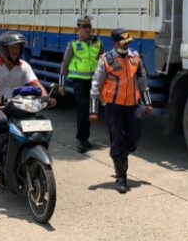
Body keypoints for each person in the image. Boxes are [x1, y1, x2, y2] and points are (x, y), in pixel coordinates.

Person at [0, 31, 55, 181]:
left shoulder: (24, 66)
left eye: (18, 48)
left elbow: (36, 84)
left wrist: (47, 97)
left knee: (36, 123)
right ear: (3, 49)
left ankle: (24, 156)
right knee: (0, 122)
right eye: (12, 48)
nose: (15, 51)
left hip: (19, 105)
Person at [89, 28, 153, 194]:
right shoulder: (106, 60)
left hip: (133, 105)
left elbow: (142, 81)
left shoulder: (135, 57)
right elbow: (96, 85)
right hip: (113, 107)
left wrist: (147, 102)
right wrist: (94, 110)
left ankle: (120, 156)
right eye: (123, 42)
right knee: (117, 138)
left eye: (128, 42)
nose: (126, 45)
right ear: (115, 43)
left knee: (135, 137)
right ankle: (121, 176)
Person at [58, 15, 104, 153]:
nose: (88, 29)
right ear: (78, 28)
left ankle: (85, 138)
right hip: (78, 81)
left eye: (89, 27)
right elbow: (65, 64)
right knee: (82, 109)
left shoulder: (98, 43)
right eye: (84, 27)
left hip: (93, 81)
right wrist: (61, 84)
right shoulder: (73, 44)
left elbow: (103, 62)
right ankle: (80, 139)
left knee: (92, 110)